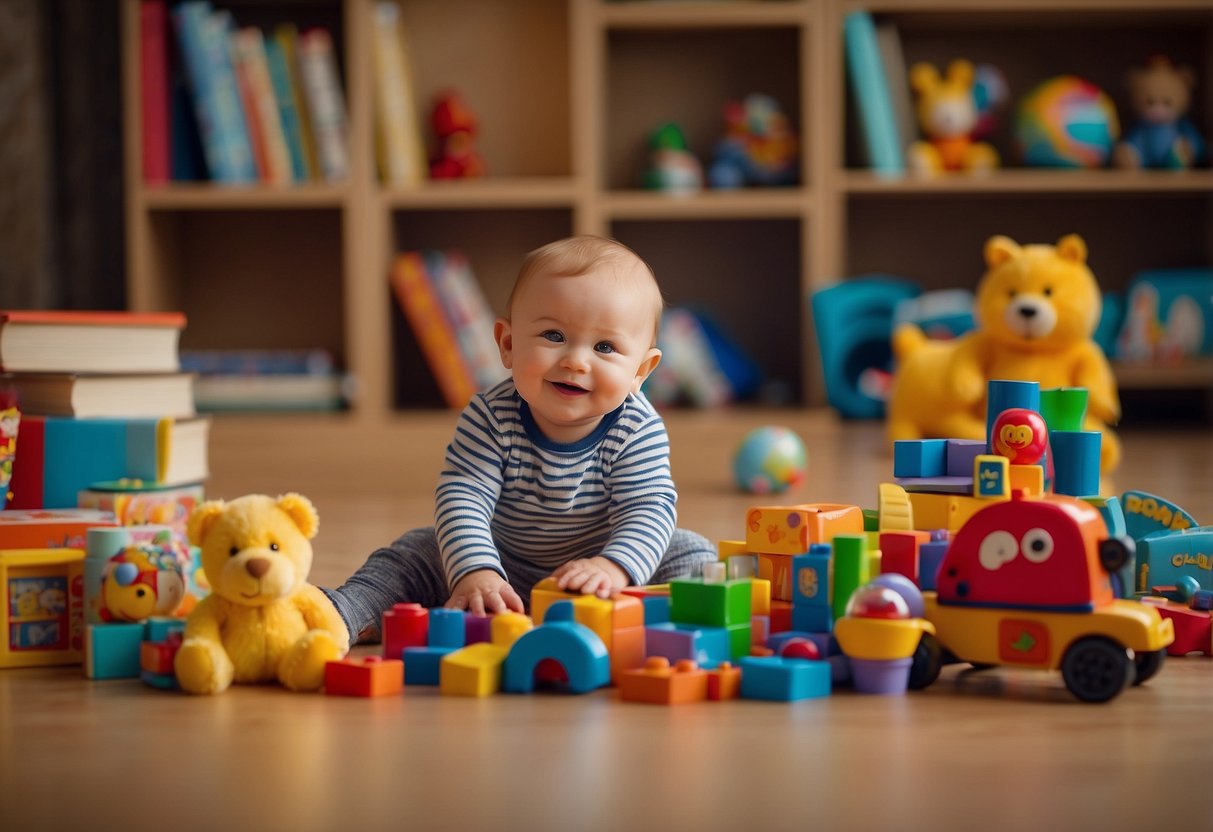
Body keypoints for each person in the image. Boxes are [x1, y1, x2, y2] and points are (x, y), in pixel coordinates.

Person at [323, 235, 716, 643]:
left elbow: (647, 506)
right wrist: (476, 570)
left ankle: (677, 624)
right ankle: (342, 615)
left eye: (604, 346)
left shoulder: (637, 427)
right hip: (500, 563)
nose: (576, 361)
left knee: (691, 552)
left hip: (603, 568)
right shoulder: (492, 414)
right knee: (413, 552)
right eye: (554, 336)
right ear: (508, 345)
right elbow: (464, 494)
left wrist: (614, 567)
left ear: (641, 371)